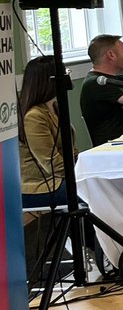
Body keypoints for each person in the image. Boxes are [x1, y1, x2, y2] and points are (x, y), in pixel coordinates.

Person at [19, 56, 75, 207]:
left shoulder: (55, 107)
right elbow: (51, 164)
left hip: (61, 178)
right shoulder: (34, 117)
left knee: (102, 185)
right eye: (65, 72)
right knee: (93, 192)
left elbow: (71, 152)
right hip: (40, 187)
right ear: (51, 80)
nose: (68, 76)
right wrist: (84, 174)